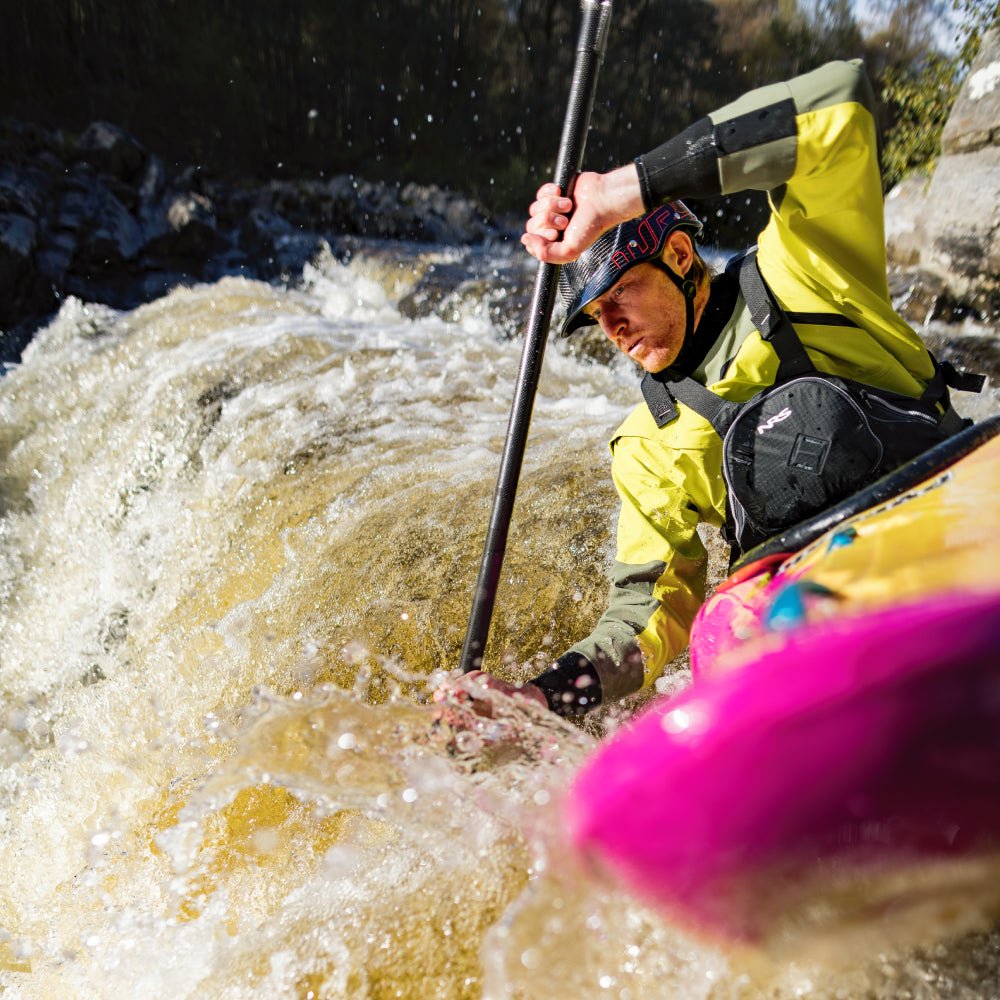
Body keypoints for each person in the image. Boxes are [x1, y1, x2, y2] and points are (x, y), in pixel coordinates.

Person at [439, 58, 978, 721]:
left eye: (620, 292)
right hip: (816, 593)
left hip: (947, 505)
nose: (611, 326)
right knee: (721, 625)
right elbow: (646, 616)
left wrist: (623, 191)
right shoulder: (648, 444)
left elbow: (839, 100)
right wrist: (538, 698)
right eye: (596, 314)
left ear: (680, 256)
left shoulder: (807, 268)